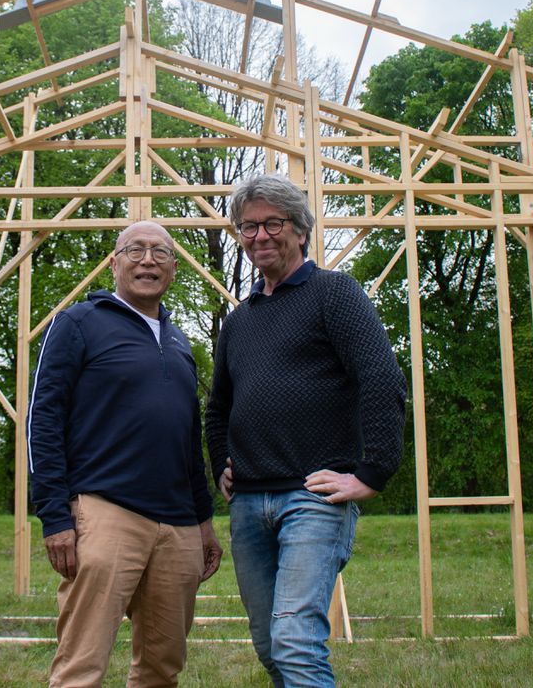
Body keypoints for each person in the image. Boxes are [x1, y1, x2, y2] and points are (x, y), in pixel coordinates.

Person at [205, 173, 406, 688]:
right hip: (249, 504)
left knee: (295, 642)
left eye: (273, 223)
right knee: (271, 647)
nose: (260, 236)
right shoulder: (239, 322)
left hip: (313, 498)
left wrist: (372, 473)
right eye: (248, 227)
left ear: (299, 230)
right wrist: (221, 464)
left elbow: (381, 378)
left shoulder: (333, 294)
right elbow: (218, 408)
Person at [28, 220, 222, 688]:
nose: (148, 260)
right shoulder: (77, 324)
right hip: (106, 511)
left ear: (174, 268)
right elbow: (44, 421)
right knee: (82, 665)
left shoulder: (179, 342)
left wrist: (203, 522)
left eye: (161, 252)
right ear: (114, 263)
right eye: (135, 250)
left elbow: (188, 439)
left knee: (163, 666)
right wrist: (54, 517)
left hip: (177, 525)